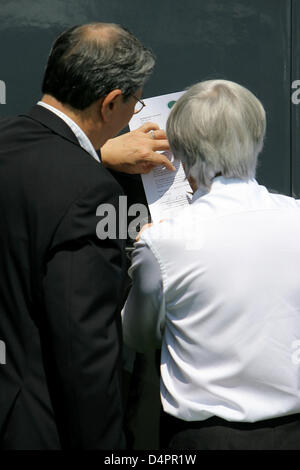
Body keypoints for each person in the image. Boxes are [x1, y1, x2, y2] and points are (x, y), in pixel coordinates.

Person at [0, 22, 175, 450]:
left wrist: (97, 155)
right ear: (111, 102)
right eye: (135, 103)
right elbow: (85, 353)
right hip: (39, 426)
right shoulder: (92, 192)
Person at [122, 79, 300, 450]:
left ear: (181, 152)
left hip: (203, 439)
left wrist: (144, 254)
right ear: (258, 139)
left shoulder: (163, 241)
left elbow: (139, 336)